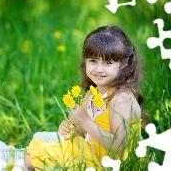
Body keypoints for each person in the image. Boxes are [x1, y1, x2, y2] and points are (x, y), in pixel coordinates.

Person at [24, 25, 146, 170]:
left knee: (33, 158)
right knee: (33, 152)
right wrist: (73, 130)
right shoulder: (92, 93)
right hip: (91, 151)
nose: (98, 69)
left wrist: (85, 120)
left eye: (108, 63)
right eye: (93, 61)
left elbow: (119, 146)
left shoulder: (121, 99)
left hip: (112, 163)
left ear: (124, 63)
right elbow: (83, 135)